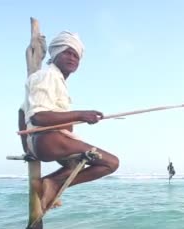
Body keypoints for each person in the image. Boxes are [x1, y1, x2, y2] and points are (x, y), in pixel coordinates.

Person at [18, 31, 119, 211]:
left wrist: (27, 148)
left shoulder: (57, 80)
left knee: (93, 163)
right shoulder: (47, 75)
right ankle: (52, 184)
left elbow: (21, 112)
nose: (72, 58)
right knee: (111, 162)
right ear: (56, 53)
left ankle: (51, 185)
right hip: (48, 142)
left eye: (76, 56)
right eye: (68, 53)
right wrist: (80, 115)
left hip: (48, 143)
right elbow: (37, 116)